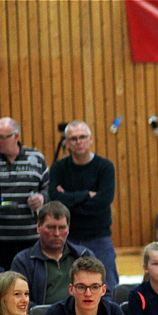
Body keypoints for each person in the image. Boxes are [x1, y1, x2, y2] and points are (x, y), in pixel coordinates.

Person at [47, 120, 120, 292]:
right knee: (66, 288)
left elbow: (103, 202)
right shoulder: (59, 168)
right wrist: (87, 195)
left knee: (108, 287)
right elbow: (55, 200)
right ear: (66, 143)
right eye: (73, 139)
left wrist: (69, 199)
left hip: (99, 236)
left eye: (82, 137)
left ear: (91, 139)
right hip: (68, 238)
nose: (78, 142)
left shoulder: (105, 167)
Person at [11, 201, 93, 305]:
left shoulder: (84, 256)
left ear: (68, 229)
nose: (57, 233)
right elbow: (17, 301)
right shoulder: (23, 261)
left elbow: (103, 292)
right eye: (50, 227)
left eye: (62, 227)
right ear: (38, 227)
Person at [0, 117, 48, 271]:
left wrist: (42, 198)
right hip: (2, 239)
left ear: (16, 136)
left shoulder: (36, 158)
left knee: (29, 284)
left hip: (31, 239)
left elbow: (49, 189)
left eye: (2, 137)